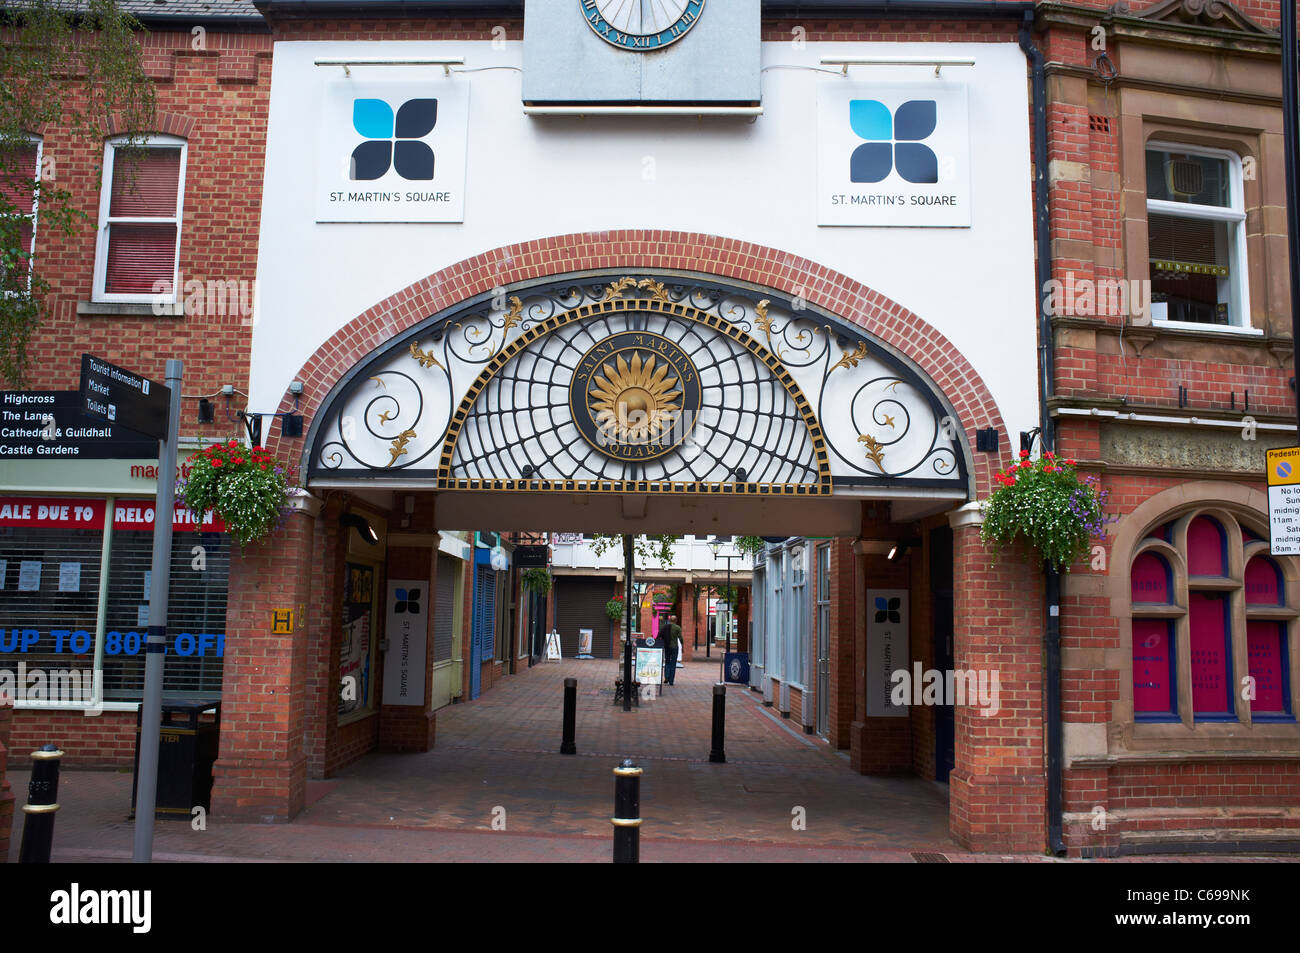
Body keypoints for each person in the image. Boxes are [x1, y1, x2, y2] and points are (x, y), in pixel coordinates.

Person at [664, 613, 682, 685]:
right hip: (674, 647)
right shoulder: (678, 628)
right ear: (676, 620)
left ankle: (666, 677)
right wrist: (682, 645)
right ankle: (671, 680)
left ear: (669, 620)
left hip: (667, 647)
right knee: (673, 663)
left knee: (667, 662)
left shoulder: (666, 627)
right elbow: (680, 638)